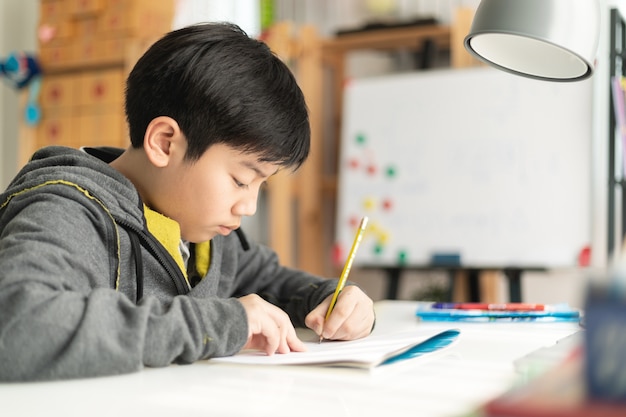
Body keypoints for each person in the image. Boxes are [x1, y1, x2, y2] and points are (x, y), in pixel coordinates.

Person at [0, 22, 375, 381]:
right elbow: (19, 325)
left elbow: (272, 283)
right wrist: (219, 323)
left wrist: (332, 300)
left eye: (262, 185)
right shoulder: (66, 211)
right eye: (241, 180)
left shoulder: (204, 235)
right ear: (165, 143)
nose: (249, 207)